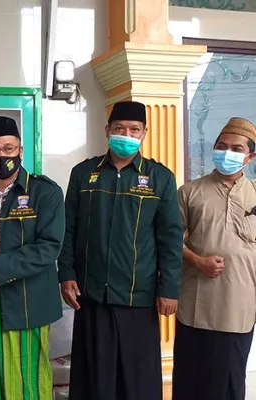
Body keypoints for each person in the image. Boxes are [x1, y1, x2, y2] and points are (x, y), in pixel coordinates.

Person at [57, 101, 183, 400]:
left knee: (137, 380)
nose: (126, 134)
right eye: (119, 129)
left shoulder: (159, 178)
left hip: (137, 296)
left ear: (144, 134)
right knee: (94, 378)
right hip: (91, 294)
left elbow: (170, 236)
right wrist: (66, 273)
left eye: (134, 129)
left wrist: (169, 288)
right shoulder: (84, 173)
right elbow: (67, 230)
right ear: (107, 131)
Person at [0, 116, 65, 399]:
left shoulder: (45, 192)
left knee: (27, 378)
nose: (1, 156)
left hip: (28, 299)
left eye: (8, 148)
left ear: (20, 150)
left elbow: (49, 247)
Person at [173, 117, 256, 400]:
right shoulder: (189, 192)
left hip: (239, 307)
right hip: (196, 306)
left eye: (236, 148)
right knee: (190, 382)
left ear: (250, 156)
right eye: (222, 146)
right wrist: (197, 260)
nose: (227, 153)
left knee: (229, 384)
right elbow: (169, 240)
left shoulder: (255, 194)